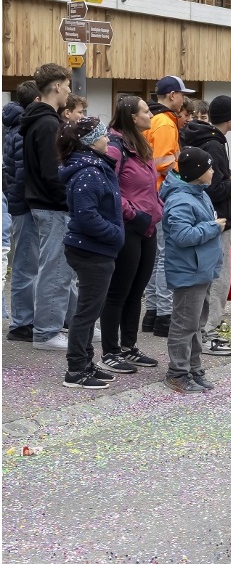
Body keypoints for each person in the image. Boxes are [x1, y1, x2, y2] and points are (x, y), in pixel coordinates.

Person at [57, 118, 123, 389]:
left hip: (96, 249)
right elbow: (86, 216)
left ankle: (86, 361)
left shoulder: (94, 167)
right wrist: (115, 235)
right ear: (91, 141)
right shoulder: (88, 172)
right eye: (103, 136)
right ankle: (76, 369)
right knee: (87, 312)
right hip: (91, 250)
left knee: (90, 310)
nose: (108, 140)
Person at [99, 96, 163, 373]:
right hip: (129, 226)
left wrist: (155, 208)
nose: (151, 116)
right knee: (118, 291)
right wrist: (134, 214)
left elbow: (148, 185)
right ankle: (110, 351)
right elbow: (110, 190)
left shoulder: (140, 143)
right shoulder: (115, 148)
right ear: (132, 117)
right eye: (146, 112)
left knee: (136, 291)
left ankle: (129, 346)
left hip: (147, 227)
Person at [180, 95, 231, 356]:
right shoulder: (215, 145)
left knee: (211, 277)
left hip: (209, 219)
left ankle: (206, 328)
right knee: (218, 278)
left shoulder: (206, 140)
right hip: (216, 220)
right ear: (229, 117)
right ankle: (208, 330)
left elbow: (215, 178)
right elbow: (214, 188)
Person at [160, 147, 226, 393]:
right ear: (198, 173)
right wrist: (213, 228)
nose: (213, 171)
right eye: (209, 168)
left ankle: (193, 367)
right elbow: (181, 235)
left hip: (202, 270)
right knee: (184, 323)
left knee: (197, 323)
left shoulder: (199, 193)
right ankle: (177, 372)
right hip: (189, 271)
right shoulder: (180, 199)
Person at [23, 63, 75, 351]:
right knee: (55, 269)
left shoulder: (41, 120)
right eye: (67, 84)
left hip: (45, 203)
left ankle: (69, 324)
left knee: (59, 268)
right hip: (53, 205)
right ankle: (46, 332)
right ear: (56, 86)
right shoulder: (47, 123)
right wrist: (69, 198)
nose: (69, 90)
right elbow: (52, 171)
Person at [143, 75, 196, 339]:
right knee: (165, 257)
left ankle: (152, 312)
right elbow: (163, 162)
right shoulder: (165, 122)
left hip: (151, 193)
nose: (184, 100)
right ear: (172, 95)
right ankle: (163, 314)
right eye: (183, 95)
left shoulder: (152, 118)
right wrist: (182, 170)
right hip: (163, 192)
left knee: (156, 257)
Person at [4, 80, 40, 341]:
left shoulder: (17, 127)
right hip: (25, 205)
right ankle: (21, 323)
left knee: (27, 262)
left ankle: (24, 318)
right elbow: (19, 173)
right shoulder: (22, 131)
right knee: (26, 264)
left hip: (20, 202)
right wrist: (26, 200)